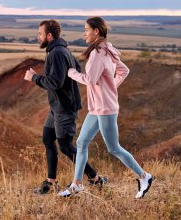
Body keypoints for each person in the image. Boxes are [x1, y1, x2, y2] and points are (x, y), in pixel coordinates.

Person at [58, 17, 154, 199]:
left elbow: (90, 80)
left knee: (114, 148)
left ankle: (145, 176)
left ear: (96, 31)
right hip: (98, 108)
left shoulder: (98, 53)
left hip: (106, 108)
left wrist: (71, 73)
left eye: (86, 29)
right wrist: (109, 88)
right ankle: (77, 184)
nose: (84, 33)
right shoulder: (107, 50)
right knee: (81, 143)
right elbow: (124, 71)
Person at [24, 19, 107, 194]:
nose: (38, 37)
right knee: (48, 139)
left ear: (49, 35)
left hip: (65, 108)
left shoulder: (57, 53)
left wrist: (34, 77)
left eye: (40, 34)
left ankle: (95, 178)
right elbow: (75, 69)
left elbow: (54, 82)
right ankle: (51, 182)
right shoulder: (60, 50)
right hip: (57, 107)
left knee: (66, 146)